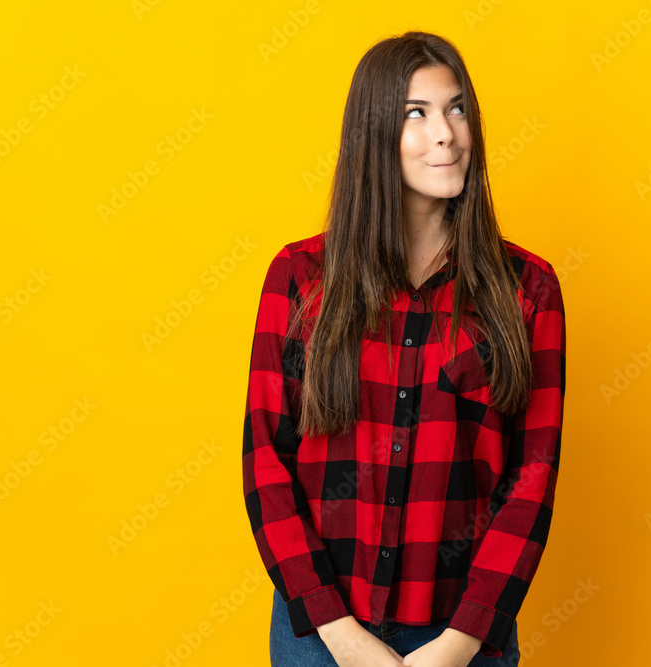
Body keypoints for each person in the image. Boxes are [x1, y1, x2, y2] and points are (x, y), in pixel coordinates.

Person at [241, 30, 566, 667]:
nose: (445, 133)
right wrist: (340, 635)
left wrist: (460, 644)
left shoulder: (528, 289)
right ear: (373, 134)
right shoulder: (301, 277)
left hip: (463, 636)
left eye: (457, 109)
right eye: (416, 113)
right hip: (320, 634)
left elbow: (532, 479)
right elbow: (266, 461)